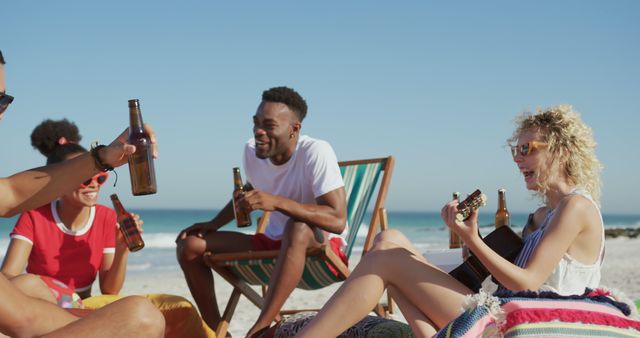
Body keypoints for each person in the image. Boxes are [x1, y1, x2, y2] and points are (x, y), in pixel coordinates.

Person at [297, 104, 604, 338]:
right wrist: (470, 241)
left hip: (527, 323)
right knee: (389, 240)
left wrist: (470, 238)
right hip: (507, 307)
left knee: (384, 262)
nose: (517, 158)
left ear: (562, 152)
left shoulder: (576, 207)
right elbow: (503, 278)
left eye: (526, 149)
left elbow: (526, 282)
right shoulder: (541, 216)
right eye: (515, 150)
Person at [0, 49, 165, 337]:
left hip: (43, 307)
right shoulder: (36, 217)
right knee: (140, 318)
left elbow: (10, 193)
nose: (1, 113)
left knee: (140, 317)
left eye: (4, 100)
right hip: (36, 300)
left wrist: (103, 157)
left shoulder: (103, 216)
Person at [176, 86, 347, 337]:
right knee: (190, 245)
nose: (258, 131)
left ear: (294, 129)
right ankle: (215, 332)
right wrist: (215, 223)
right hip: (273, 245)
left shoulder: (315, 152)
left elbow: (337, 219)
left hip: (321, 251)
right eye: (256, 123)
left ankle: (261, 327)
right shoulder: (252, 152)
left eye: (269, 125)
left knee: (297, 227)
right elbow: (250, 189)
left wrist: (277, 202)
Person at [2, 123, 142, 300]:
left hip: (82, 309)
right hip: (42, 307)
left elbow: (110, 290)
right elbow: (7, 277)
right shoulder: (34, 215)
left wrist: (122, 249)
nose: (93, 184)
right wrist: (60, 295)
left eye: (100, 177)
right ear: (59, 183)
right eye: (84, 179)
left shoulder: (106, 217)